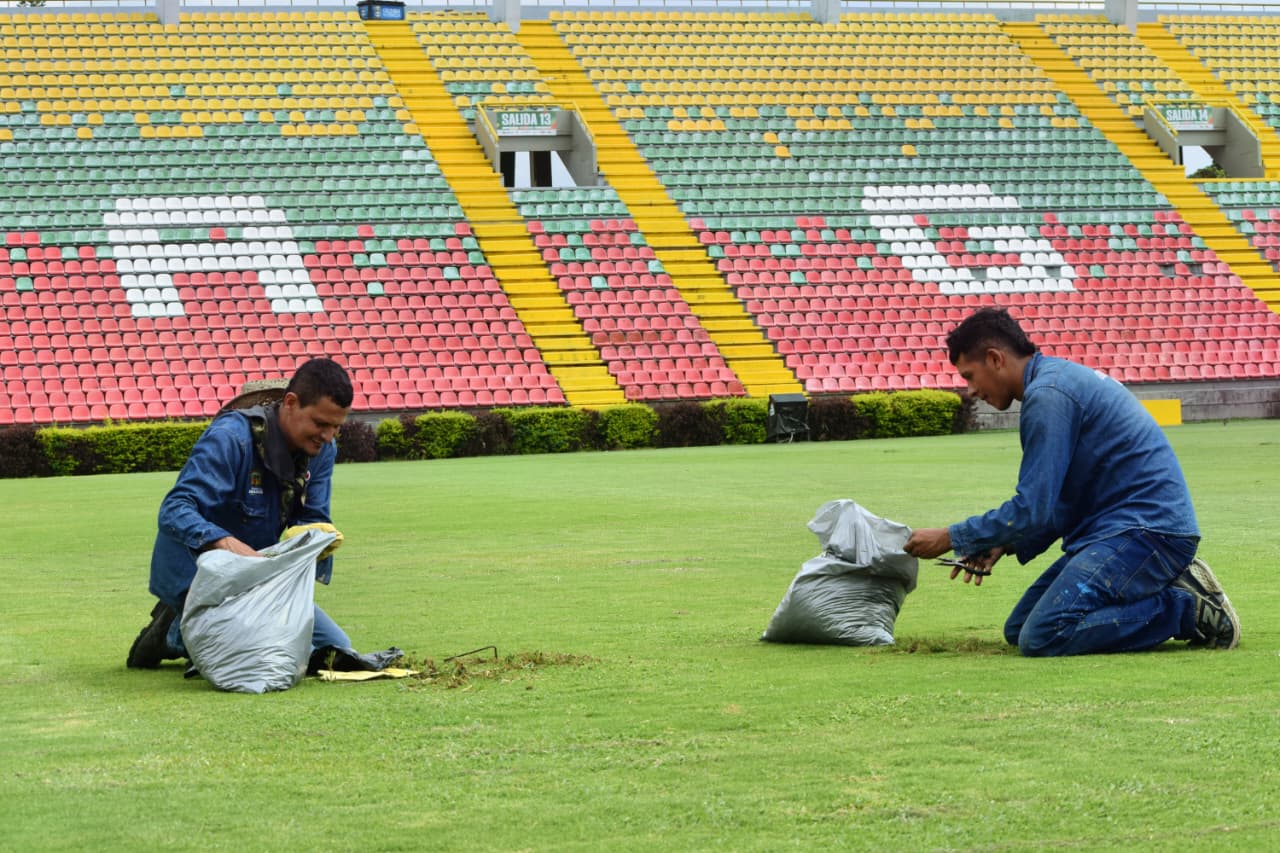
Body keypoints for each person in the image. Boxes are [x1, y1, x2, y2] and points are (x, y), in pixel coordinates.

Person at [902, 307, 1240, 656]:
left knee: (1045, 634)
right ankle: (1168, 591)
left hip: (1148, 532)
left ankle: (1186, 607)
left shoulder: (1049, 395)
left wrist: (950, 537)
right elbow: (1060, 502)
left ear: (995, 358)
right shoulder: (1054, 382)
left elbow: (1032, 508)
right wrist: (1005, 543)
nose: (971, 390)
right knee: (1020, 630)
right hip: (1123, 529)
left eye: (970, 376)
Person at [127, 357, 358, 670]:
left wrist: (316, 540)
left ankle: (202, 630)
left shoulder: (322, 451)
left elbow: (312, 517)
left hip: (254, 578)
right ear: (291, 403)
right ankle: (169, 632)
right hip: (195, 571)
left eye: (336, 426)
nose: (328, 436)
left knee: (335, 650)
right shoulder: (231, 438)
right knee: (251, 653)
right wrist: (224, 543)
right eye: (320, 423)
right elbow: (175, 508)